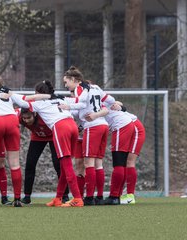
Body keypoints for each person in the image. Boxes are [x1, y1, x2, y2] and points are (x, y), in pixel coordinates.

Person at [11, 80, 84, 207]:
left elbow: (22, 101)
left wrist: (10, 93)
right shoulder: (61, 99)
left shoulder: (40, 103)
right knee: (63, 165)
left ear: (40, 93)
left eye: (36, 93)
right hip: (72, 125)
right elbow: (80, 103)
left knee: (66, 165)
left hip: (61, 127)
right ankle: (59, 197)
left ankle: (77, 198)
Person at [61, 67, 110, 205]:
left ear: (74, 80)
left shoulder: (80, 89)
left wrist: (66, 104)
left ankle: (88, 198)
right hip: (103, 125)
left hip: (92, 127)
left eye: (66, 82)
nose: (66, 85)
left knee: (88, 164)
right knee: (98, 165)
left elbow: (81, 104)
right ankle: (98, 197)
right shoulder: (95, 87)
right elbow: (106, 102)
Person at [87, 102, 136, 205]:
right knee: (121, 163)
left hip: (122, 126)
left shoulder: (94, 96)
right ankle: (116, 196)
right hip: (126, 125)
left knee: (119, 162)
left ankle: (114, 196)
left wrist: (120, 106)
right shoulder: (96, 97)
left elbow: (115, 103)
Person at [19, 108, 70, 204]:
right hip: (37, 137)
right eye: (24, 118)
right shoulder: (19, 117)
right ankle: (27, 196)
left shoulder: (44, 117)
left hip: (53, 136)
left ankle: (65, 195)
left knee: (58, 164)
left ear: (34, 114)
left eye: (28, 118)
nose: (26, 120)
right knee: (30, 163)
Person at [112, 101, 146, 204]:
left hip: (136, 129)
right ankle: (121, 194)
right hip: (126, 129)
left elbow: (119, 103)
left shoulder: (98, 98)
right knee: (123, 162)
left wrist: (118, 106)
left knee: (129, 162)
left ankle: (130, 196)